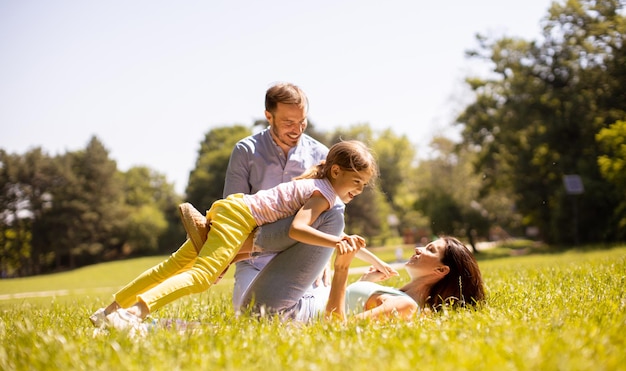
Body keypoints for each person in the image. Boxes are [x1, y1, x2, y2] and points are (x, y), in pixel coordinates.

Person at [90, 140, 396, 335]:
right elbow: (297, 230)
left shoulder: (320, 186)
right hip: (240, 219)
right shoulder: (323, 195)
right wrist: (336, 244)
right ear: (337, 171)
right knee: (201, 277)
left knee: (174, 266)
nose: (358, 189)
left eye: (363, 184)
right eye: (356, 181)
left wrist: (370, 255)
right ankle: (135, 313)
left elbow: (333, 231)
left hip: (233, 210)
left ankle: (108, 312)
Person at [223, 82, 334, 310]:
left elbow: (331, 215)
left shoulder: (321, 155)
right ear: (268, 116)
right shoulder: (246, 152)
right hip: (254, 261)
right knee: (249, 317)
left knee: (318, 316)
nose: (297, 129)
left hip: (304, 260)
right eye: (288, 122)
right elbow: (232, 215)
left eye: (302, 121)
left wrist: (323, 258)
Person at [238, 236, 484, 322]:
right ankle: (223, 252)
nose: (419, 249)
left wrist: (342, 272)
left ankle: (221, 251)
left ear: (441, 271)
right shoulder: (397, 296)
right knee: (319, 231)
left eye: (430, 250)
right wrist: (365, 282)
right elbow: (349, 306)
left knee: (327, 224)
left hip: (285, 312)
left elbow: (337, 328)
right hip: (295, 300)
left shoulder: (405, 306)